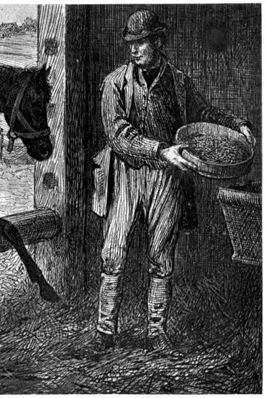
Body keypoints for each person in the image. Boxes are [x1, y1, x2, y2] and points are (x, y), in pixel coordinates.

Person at [90, 9, 255, 352]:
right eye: (131, 43)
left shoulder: (179, 81)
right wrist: (160, 149)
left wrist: (237, 123)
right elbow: (118, 135)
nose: (134, 49)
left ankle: (156, 332)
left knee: (161, 255)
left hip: (167, 178)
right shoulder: (114, 83)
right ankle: (105, 331)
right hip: (126, 173)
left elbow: (204, 113)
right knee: (113, 251)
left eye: (142, 42)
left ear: (159, 43)